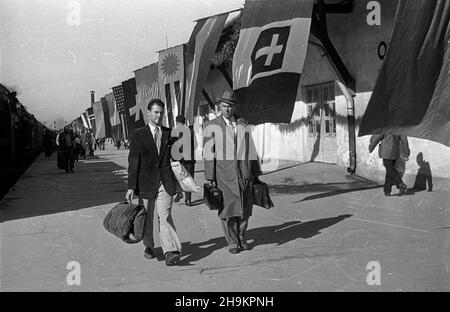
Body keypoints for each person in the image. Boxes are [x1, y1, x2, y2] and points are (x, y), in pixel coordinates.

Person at [203, 91, 261, 254]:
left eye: (229, 106)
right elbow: (208, 154)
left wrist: (255, 172)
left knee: (245, 207)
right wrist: (210, 177)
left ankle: (242, 237)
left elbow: (251, 149)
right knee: (228, 209)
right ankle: (232, 242)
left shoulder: (243, 124)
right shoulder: (211, 126)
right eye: (223, 106)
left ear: (234, 107)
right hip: (224, 175)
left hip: (244, 173)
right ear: (219, 106)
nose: (227, 109)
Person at [126, 98, 182, 266]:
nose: (159, 115)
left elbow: (176, 160)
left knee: (165, 216)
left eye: (161, 112)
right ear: (148, 113)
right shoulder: (138, 134)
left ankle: (170, 251)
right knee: (147, 218)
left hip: (165, 182)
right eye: (156, 112)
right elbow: (133, 162)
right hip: (145, 183)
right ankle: (149, 246)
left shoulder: (169, 132)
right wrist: (131, 187)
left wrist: (178, 185)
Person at [173, 115, 196, 206]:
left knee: (178, 177)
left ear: (177, 122)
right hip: (189, 159)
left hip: (178, 159)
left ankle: (179, 192)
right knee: (188, 179)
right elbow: (195, 144)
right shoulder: (191, 131)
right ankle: (188, 200)